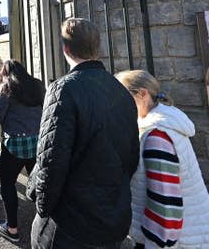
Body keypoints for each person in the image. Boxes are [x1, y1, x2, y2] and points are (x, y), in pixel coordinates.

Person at [26, 18, 140, 249]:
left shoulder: (62, 89)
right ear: (97, 48)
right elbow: (132, 156)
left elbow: (51, 159)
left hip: (71, 223)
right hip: (112, 218)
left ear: (65, 48)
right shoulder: (120, 89)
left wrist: (42, 208)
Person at [115, 70, 209, 249]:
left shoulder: (157, 137)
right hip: (195, 236)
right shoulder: (164, 122)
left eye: (121, 97)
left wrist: (156, 245)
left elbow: (166, 206)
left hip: (183, 242)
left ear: (142, 94)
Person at [0, 59, 45, 243]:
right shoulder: (37, 85)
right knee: (39, 182)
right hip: (36, 142)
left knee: (7, 185)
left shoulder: (6, 88)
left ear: (5, 73)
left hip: (14, 144)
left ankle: (12, 228)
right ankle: (47, 222)